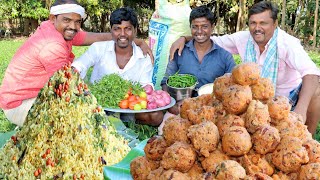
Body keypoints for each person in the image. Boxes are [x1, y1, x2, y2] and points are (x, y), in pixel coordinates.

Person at [170, 1, 320, 135]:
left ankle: (307, 137)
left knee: (317, 90)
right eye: (253, 23)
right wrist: (183, 38)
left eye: (263, 23)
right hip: (254, 98)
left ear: (275, 24)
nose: (257, 28)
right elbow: (209, 39)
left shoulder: (287, 43)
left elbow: (312, 74)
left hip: (288, 98)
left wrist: (301, 108)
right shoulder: (243, 38)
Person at [0, 0, 153, 127]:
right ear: (53, 18)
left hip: (33, 94)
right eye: (67, 20)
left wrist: (132, 39)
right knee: (80, 120)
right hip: (21, 103)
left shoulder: (58, 29)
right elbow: (67, 86)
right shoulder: (52, 45)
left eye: (77, 21)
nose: (73, 26)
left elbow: (92, 37)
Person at [72, 7, 164, 126]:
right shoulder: (99, 48)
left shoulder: (144, 57)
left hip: (128, 108)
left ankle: (123, 122)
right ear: (111, 31)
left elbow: (146, 86)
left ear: (135, 31)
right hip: (100, 104)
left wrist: (140, 94)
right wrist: (74, 71)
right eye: (117, 29)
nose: (122, 34)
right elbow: (81, 64)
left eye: (128, 29)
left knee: (156, 117)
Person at [161, 5, 236, 115]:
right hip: (181, 107)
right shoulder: (179, 51)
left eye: (204, 26)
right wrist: (171, 105)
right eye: (195, 27)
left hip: (212, 111)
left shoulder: (225, 56)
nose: (199, 31)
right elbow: (165, 81)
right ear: (190, 27)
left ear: (212, 27)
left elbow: (233, 87)